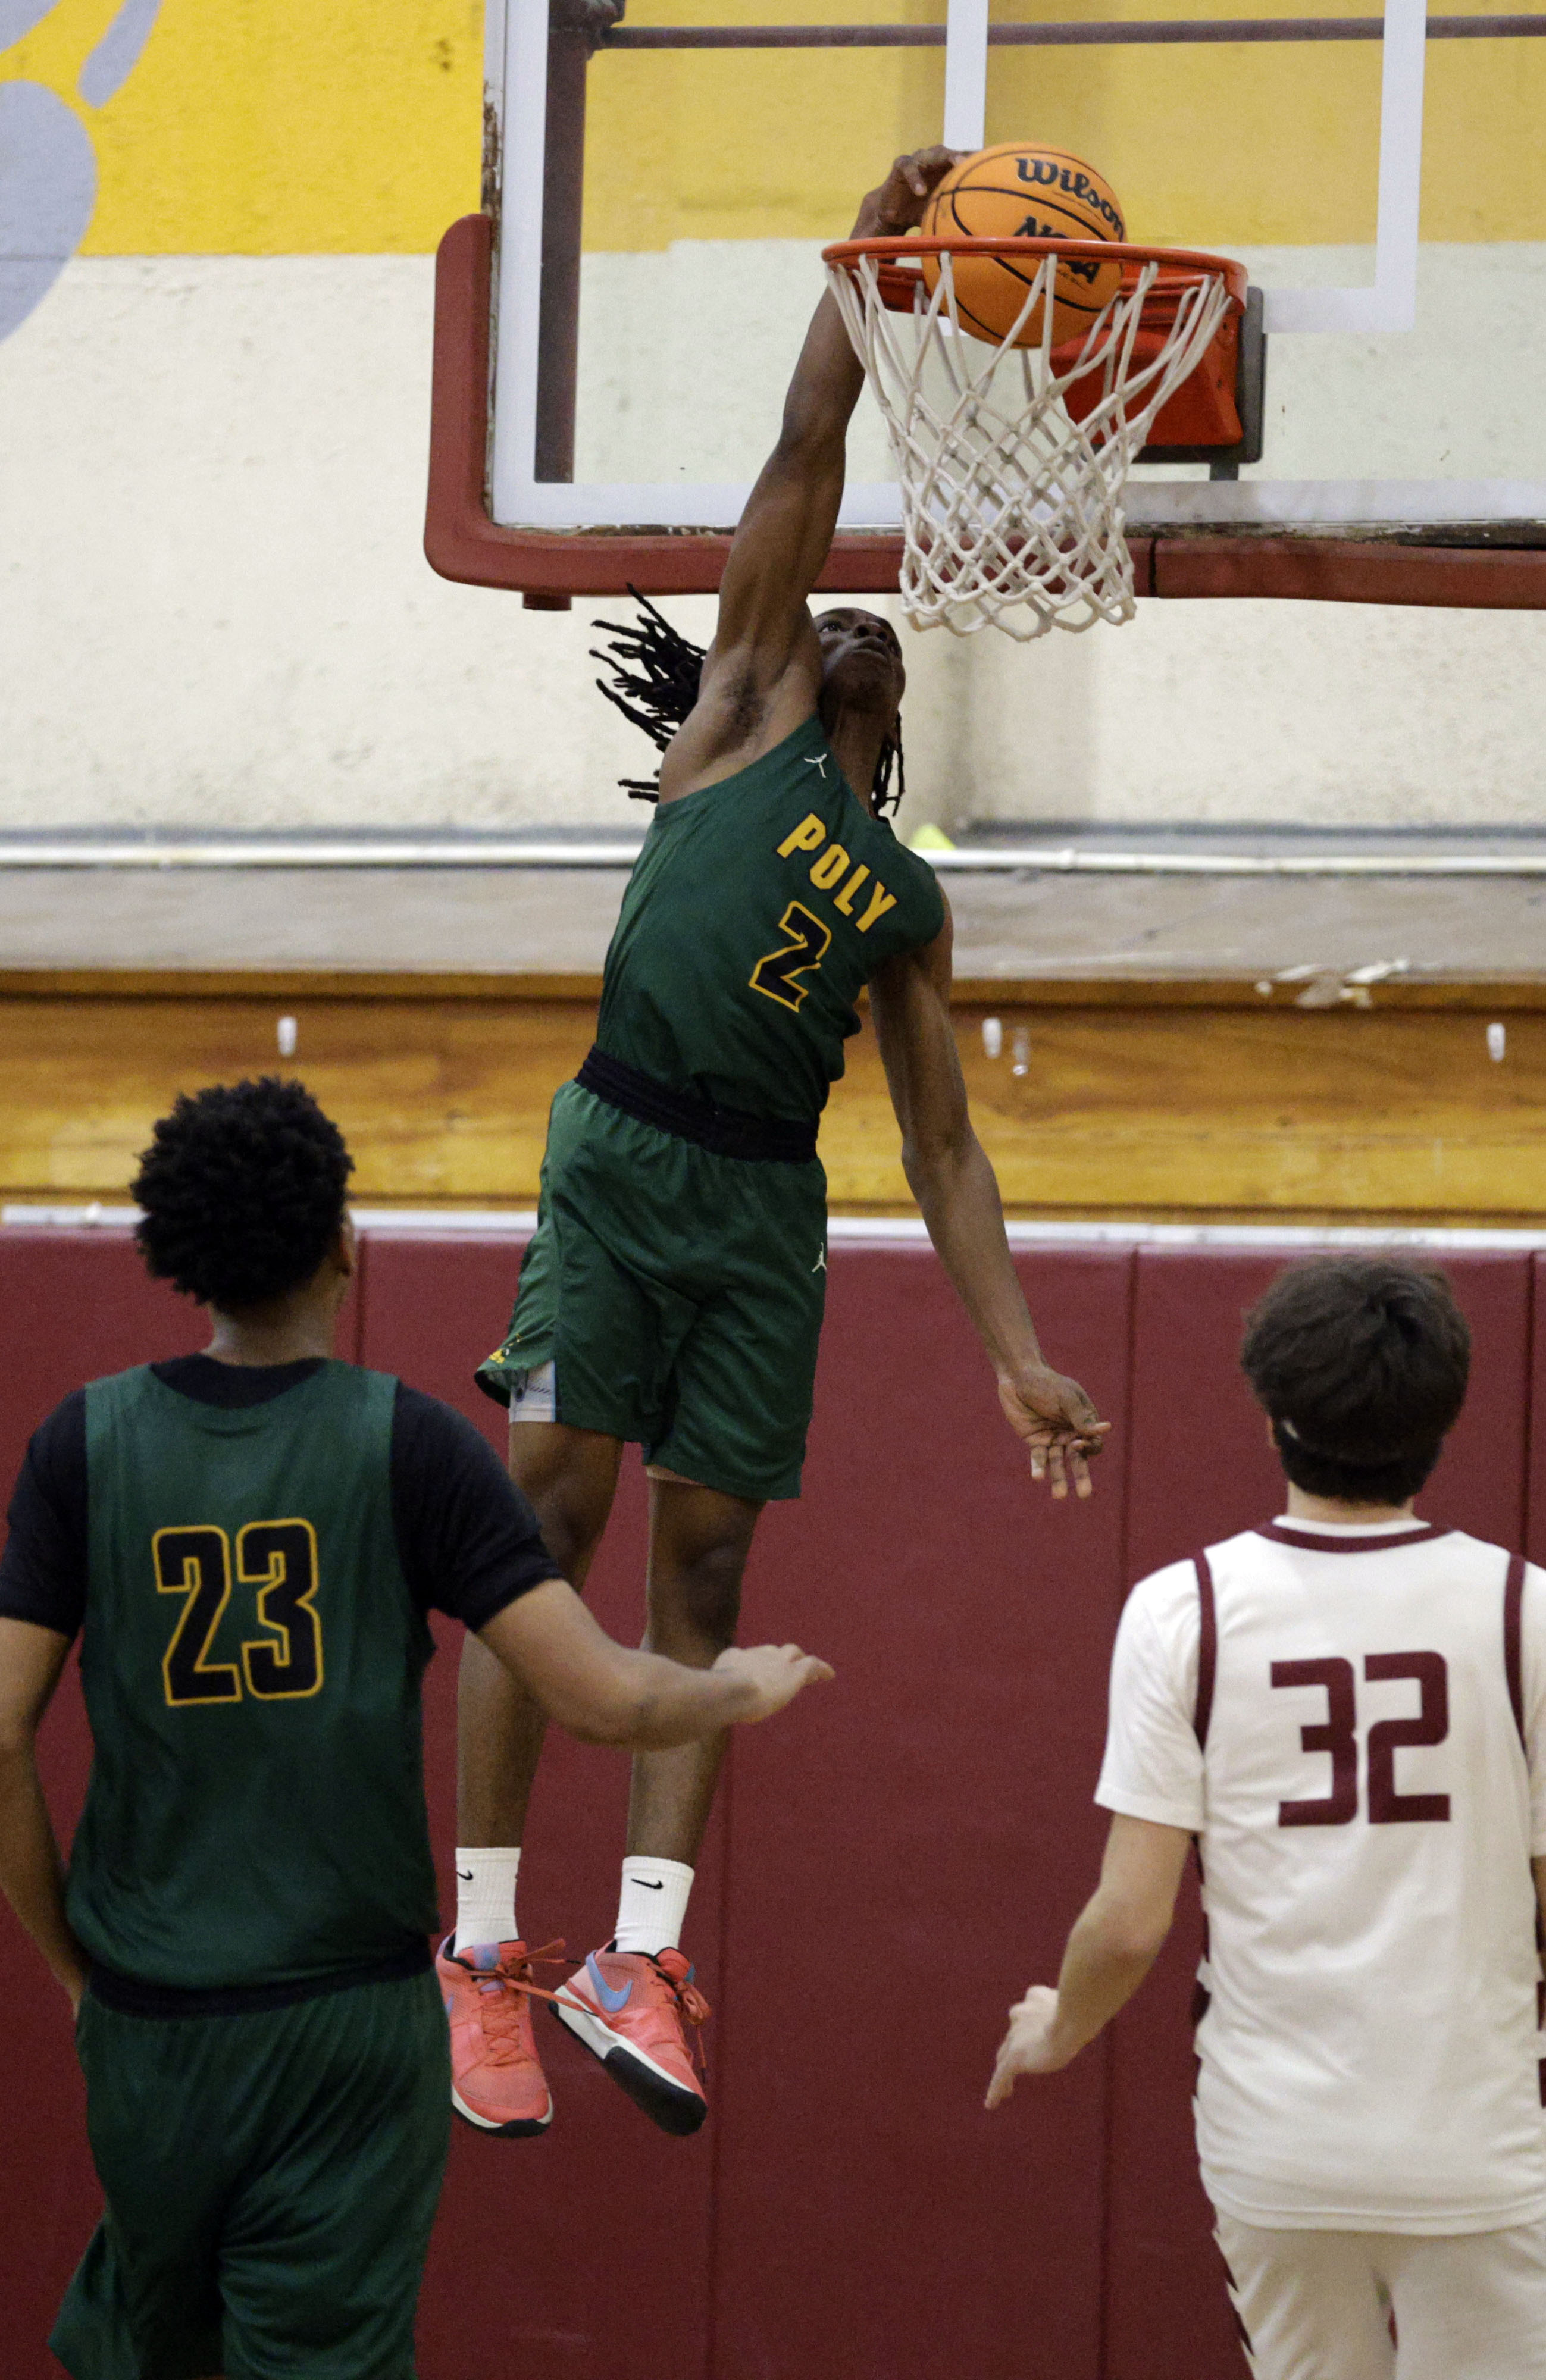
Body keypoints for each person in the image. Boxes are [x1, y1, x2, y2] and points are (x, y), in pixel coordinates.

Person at [453, 141, 1109, 2145]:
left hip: (762, 1209)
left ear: (889, 723)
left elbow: (944, 1152)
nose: (860, 618)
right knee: (541, 1529)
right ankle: (479, 1950)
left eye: (879, 630)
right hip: (617, 1154)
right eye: (842, 611)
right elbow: (807, 441)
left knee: (711, 1563)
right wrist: (876, 255)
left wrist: (1012, 1353)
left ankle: (638, 1958)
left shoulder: (900, 899)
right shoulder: (735, 709)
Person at [0, 1077, 831, 2380]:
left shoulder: (80, 1444)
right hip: (347, 2024)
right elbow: (601, 1696)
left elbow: (0, 1740)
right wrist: (733, 1686)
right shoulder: (411, 1446)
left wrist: (72, 1970)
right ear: (343, 1243)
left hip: (151, 2021)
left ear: (178, 1251)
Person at [986, 1256, 1546, 2380]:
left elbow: (1127, 1922)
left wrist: (1059, 2029)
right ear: (1441, 1418)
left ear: (1274, 1413)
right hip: (1481, 2141)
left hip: (1279, 2144)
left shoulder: (1182, 1609)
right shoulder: (1522, 1610)